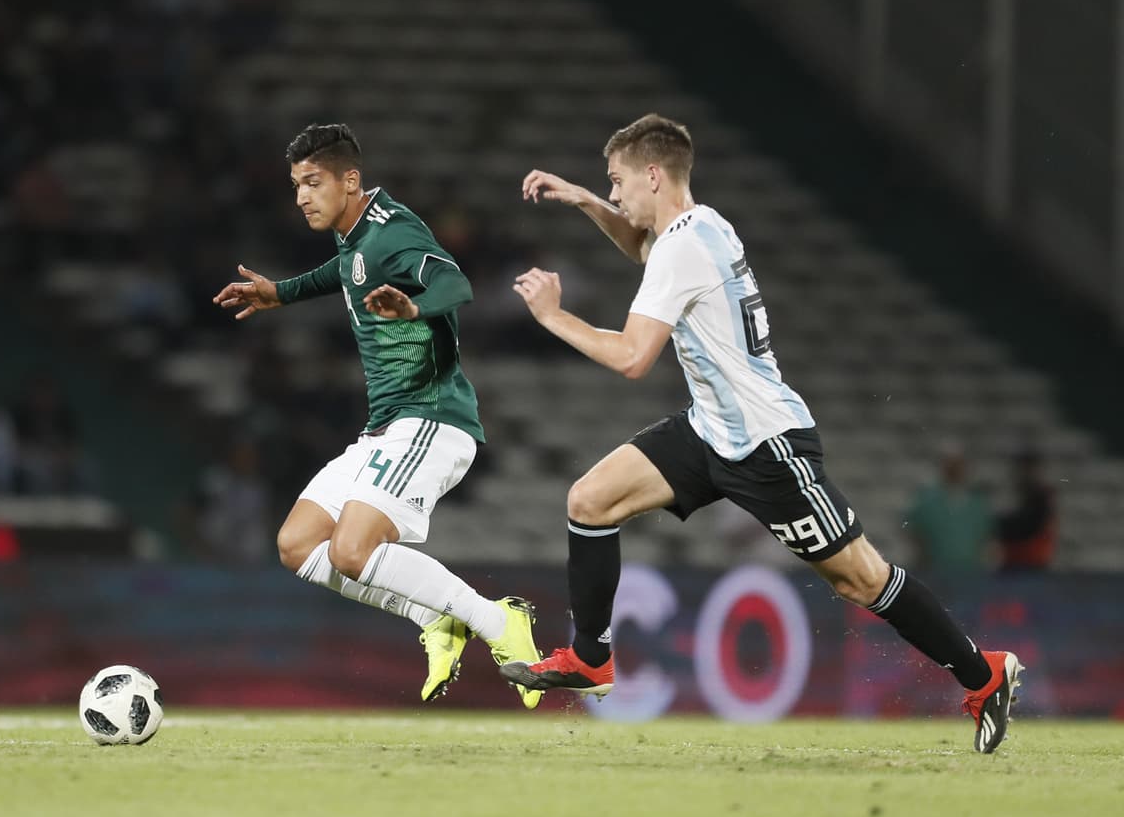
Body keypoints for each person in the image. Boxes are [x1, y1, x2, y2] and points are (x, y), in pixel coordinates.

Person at [500, 114, 1021, 752]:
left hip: (766, 446)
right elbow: (641, 247)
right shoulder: (705, 225)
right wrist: (585, 200)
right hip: (709, 430)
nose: (614, 194)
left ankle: (983, 673)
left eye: (616, 181)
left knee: (861, 579)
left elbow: (633, 358)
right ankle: (590, 658)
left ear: (653, 176)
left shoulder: (681, 248)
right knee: (590, 500)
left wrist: (553, 316)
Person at [213, 123, 542, 707]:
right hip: (386, 428)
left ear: (350, 180)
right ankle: (434, 617)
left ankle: (497, 620)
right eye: (296, 185)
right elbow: (342, 274)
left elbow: (455, 282)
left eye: (313, 183)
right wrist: (281, 293)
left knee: (351, 551)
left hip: (431, 420)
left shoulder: (393, 232)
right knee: (297, 544)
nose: (302, 197)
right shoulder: (354, 234)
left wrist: (415, 307)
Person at [904, 443, 993, 577]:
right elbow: (914, 532)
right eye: (950, 465)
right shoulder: (926, 501)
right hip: (935, 570)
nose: (954, 470)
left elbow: (987, 537)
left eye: (958, 465)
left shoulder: (978, 503)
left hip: (972, 571)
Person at [995, 448, 1056, 572]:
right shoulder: (1016, 495)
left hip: (1033, 562)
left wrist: (1003, 525)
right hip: (1013, 561)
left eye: (1028, 469)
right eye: (1021, 469)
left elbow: (1029, 526)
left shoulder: (1042, 498)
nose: (1024, 474)